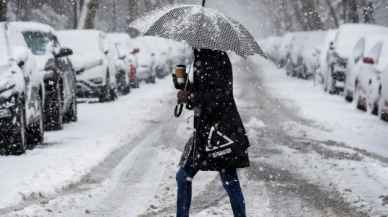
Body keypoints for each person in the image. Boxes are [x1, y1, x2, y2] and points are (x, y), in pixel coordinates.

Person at [172, 48, 250, 217]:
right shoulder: (201, 55)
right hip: (204, 129)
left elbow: (221, 95)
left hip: (220, 131)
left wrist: (190, 98)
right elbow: (206, 90)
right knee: (183, 176)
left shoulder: (217, 57)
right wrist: (185, 86)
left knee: (230, 181)